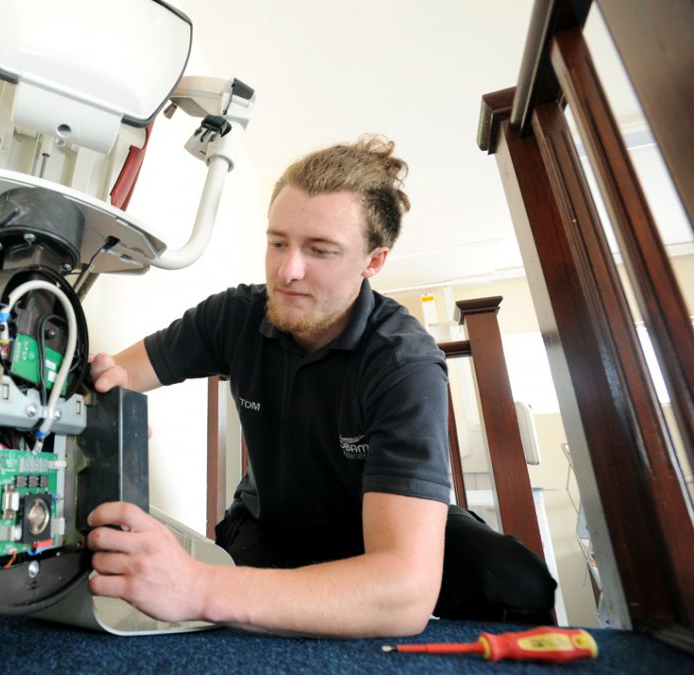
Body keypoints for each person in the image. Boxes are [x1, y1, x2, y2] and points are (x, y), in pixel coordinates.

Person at [84, 135, 556, 637]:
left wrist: (199, 586)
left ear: (373, 262)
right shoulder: (233, 316)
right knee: (246, 630)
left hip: (378, 524)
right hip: (270, 523)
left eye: (320, 250)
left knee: (517, 583)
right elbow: (117, 372)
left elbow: (405, 590)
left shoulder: (404, 362)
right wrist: (117, 410)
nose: (288, 271)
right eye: (278, 243)